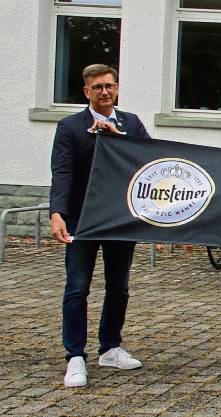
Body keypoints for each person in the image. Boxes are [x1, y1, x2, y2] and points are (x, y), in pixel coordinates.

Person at [50, 64, 151, 387]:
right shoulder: (70, 127)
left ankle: (110, 346)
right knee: (77, 287)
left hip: (120, 218)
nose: (105, 92)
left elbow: (149, 160)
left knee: (118, 286)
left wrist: (119, 139)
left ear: (117, 88)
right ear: (87, 92)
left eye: (109, 86)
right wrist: (57, 213)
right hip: (81, 219)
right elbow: (62, 172)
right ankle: (75, 355)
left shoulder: (131, 123)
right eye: (98, 87)